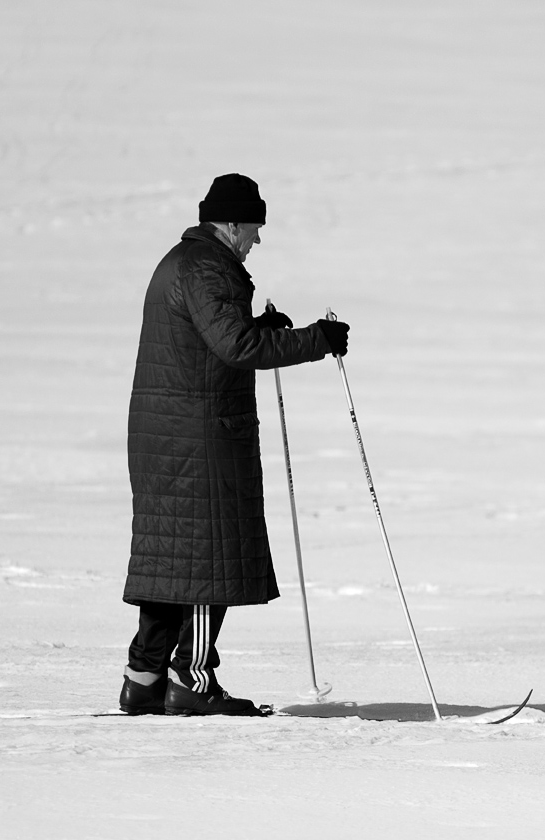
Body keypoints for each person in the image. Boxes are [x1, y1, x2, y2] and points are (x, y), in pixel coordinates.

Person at [118, 173, 349, 716]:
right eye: (254, 227)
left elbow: (217, 337)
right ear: (230, 223)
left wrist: (263, 324)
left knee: (173, 560)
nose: (258, 240)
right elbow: (236, 345)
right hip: (199, 437)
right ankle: (192, 680)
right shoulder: (206, 267)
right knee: (208, 560)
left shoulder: (184, 261)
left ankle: (144, 678)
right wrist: (315, 339)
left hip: (170, 434)